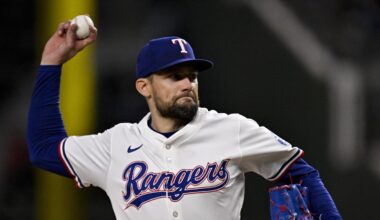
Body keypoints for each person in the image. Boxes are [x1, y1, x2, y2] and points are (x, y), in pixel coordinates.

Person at [27, 21, 342, 220]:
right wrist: (51, 62)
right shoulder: (116, 145)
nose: (187, 84)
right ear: (143, 87)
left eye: (191, 76)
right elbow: (44, 148)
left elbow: (299, 173)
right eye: (174, 76)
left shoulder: (230, 129)